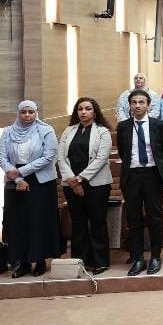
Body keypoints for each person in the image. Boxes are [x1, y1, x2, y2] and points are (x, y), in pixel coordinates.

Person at [0, 101, 59, 278]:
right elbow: (2, 157)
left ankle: (40, 260)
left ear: (36, 113)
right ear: (18, 113)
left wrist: (22, 171)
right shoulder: (8, 132)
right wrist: (18, 178)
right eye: (23, 112)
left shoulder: (46, 130)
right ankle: (22, 262)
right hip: (14, 181)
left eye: (31, 112)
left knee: (39, 221)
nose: (27, 115)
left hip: (41, 181)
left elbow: (48, 156)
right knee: (18, 222)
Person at [118, 90, 163, 276]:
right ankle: (138, 258)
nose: (137, 106)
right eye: (134, 102)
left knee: (154, 217)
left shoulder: (160, 125)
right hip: (131, 176)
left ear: (148, 105)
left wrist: (159, 171)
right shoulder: (123, 126)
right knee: (133, 219)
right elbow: (123, 152)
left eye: (141, 102)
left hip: (152, 175)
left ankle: (155, 256)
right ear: (129, 105)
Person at [57, 98, 113, 275]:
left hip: (96, 184)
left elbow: (101, 159)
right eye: (80, 109)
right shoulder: (68, 131)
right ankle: (80, 260)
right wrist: (72, 180)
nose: (83, 112)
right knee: (78, 223)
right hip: (70, 184)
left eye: (88, 109)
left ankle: (100, 261)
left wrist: (80, 179)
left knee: (97, 222)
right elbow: (61, 157)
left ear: (94, 112)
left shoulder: (103, 132)